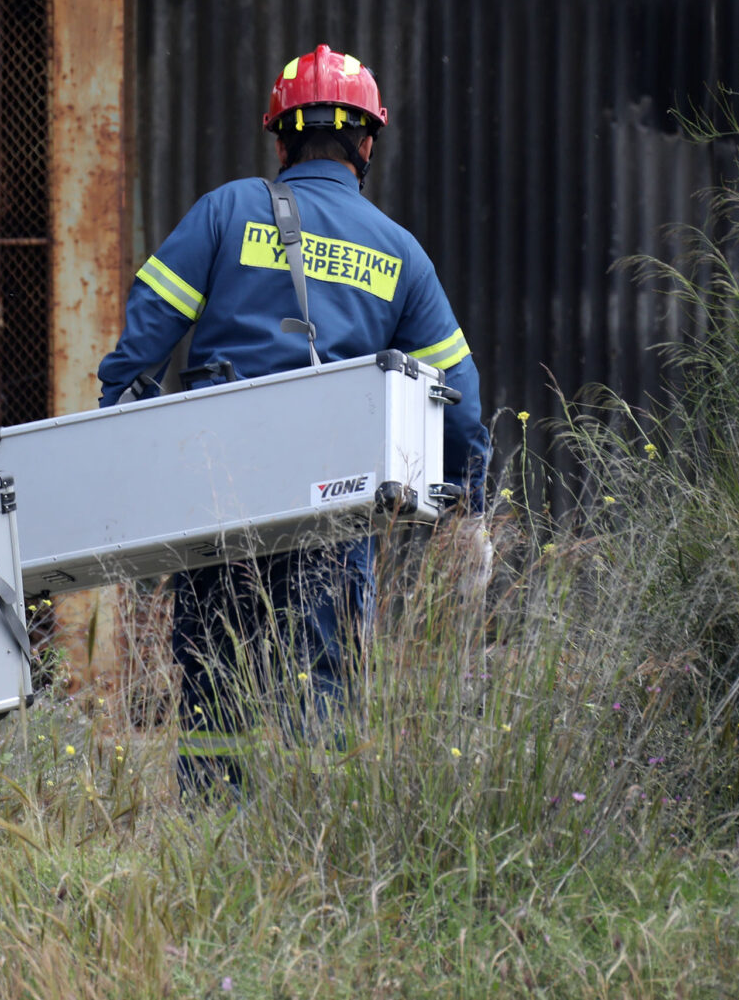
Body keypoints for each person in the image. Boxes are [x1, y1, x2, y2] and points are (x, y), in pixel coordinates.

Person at [95, 44, 490, 796]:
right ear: (366, 144)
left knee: (216, 691)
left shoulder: (226, 211)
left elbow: (141, 345)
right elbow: (461, 402)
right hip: (335, 516)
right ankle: (316, 856)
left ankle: (212, 852)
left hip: (221, 503)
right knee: (324, 698)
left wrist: (123, 435)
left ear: (281, 140)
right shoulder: (401, 255)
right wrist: (469, 500)